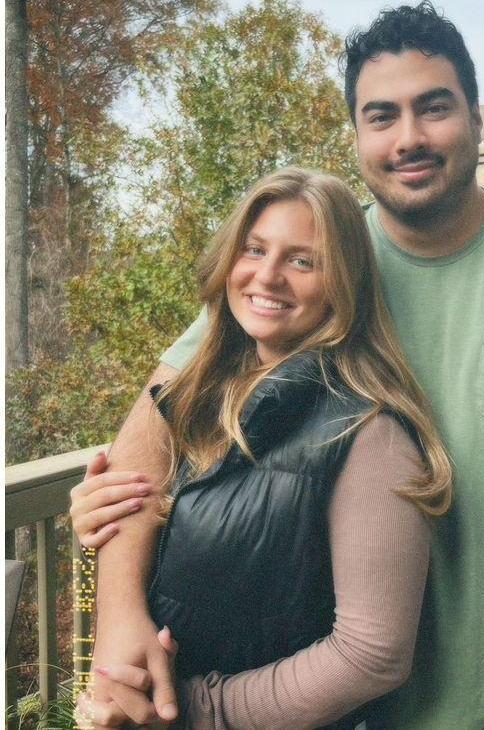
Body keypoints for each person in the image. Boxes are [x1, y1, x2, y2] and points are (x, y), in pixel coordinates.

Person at [71, 3, 484, 729]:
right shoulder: (315, 268)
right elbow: (157, 420)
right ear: (358, 136)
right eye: (382, 116)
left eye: (434, 108)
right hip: (344, 707)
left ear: (476, 118)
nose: (409, 138)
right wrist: (118, 613)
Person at [72, 166, 453, 728]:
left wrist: (192, 711)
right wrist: (97, 522)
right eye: (255, 249)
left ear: (343, 284)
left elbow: (372, 658)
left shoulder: (369, 434)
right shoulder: (198, 398)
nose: (268, 276)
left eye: (303, 261)